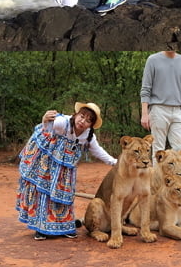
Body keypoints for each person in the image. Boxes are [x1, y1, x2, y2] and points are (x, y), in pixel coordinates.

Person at [16, 102, 117, 240]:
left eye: (88, 120)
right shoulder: (62, 123)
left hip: (65, 170)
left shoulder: (88, 137)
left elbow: (98, 151)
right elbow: (46, 128)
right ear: (76, 115)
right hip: (46, 162)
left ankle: (64, 227)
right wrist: (44, 119)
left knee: (64, 194)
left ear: (91, 125)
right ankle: (41, 228)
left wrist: (116, 163)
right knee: (43, 192)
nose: (83, 121)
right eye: (82, 116)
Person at [140, 50, 181, 161]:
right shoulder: (152, 60)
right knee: (158, 151)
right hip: (158, 109)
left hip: (179, 110)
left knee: (180, 151)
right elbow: (146, 89)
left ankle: (177, 178)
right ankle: (157, 178)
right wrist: (144, 114)